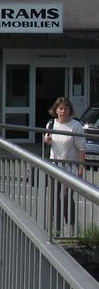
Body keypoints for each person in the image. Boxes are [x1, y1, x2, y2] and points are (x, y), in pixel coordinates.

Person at [43, 96, 86, 228]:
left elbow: (81, 148)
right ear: (55, 110)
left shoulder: (76, 126)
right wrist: (47, 141)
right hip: (55, 166)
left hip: (70, 167)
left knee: (67, 196)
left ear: (70, 110)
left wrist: (80, 169)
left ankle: (72, 225)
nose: (63, 111)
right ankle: (56, 228)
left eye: (66, 109)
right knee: (54, 198)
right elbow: (46, 141)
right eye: (60, 108)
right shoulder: (51, 124)